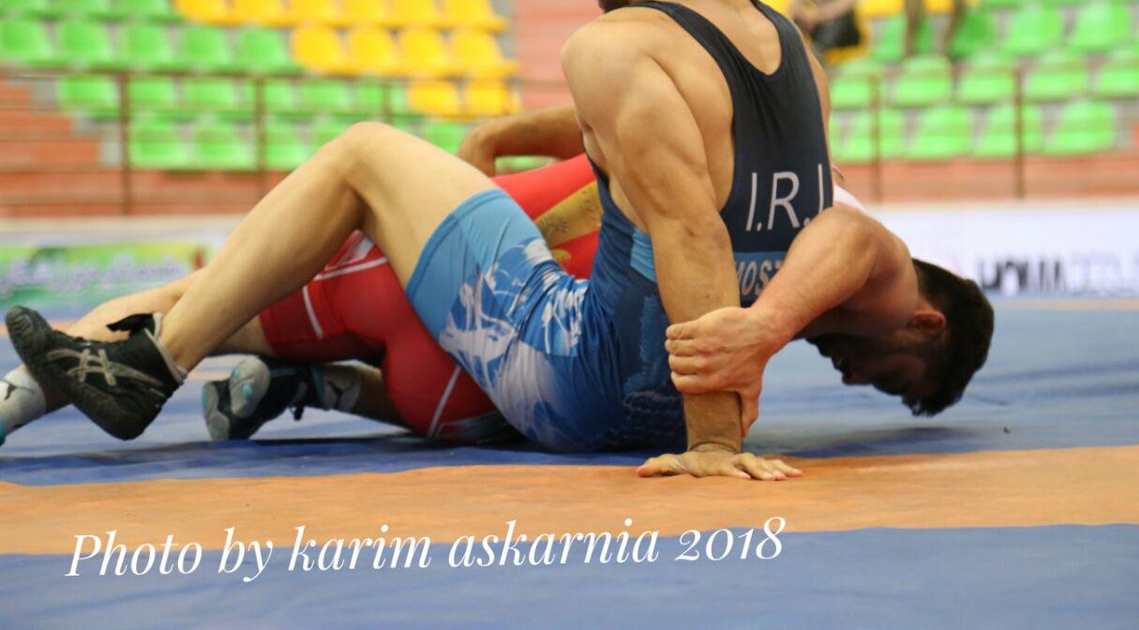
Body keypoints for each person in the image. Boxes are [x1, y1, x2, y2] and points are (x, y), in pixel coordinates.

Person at [8, 0, 988, 480]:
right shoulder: (792, 49)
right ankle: (267, 376)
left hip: (584, 380)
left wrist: (712, 446)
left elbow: (688, 225)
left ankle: (157, 361)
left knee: (363, 153)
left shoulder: (616, 47)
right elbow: (767, 213)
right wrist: (722, 418)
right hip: (672, 393)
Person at [0, 143, 992, 447]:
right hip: (473, 397)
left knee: (201, 298)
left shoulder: (812, 210)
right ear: (926, 322)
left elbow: (854, 236)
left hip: (456, 292)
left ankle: (112, 377)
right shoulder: (814, 248)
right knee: (404, 377)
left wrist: (505, 141)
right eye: (892, 378)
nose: (855, 379)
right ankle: (319, 387)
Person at [790, 0, 861, 60]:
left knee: (841, 20)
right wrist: (805, 16)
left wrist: (816, 17)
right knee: (799, 19)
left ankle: (819, 49)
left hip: (846, 37)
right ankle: (798, 47)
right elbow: (793, 5)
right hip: (824, 33)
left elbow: (838, 11)